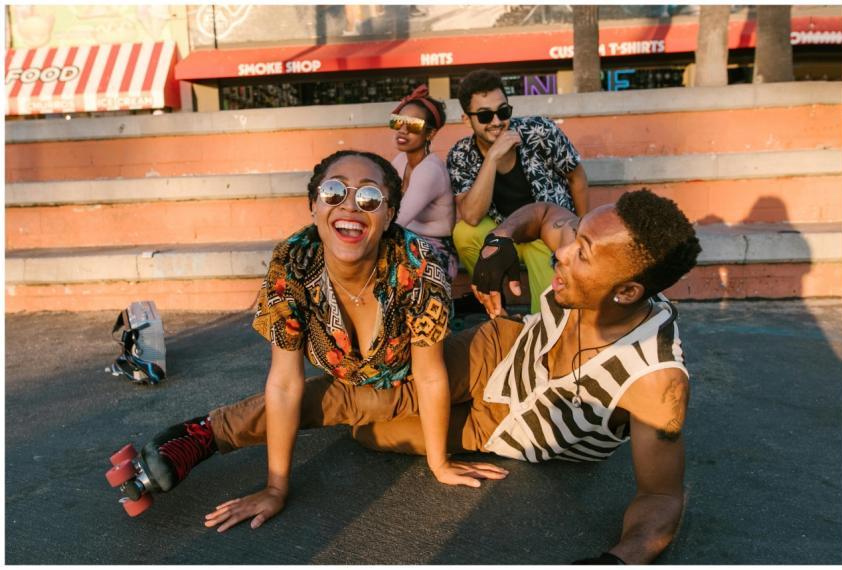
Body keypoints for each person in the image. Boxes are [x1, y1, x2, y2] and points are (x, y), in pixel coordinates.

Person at [129, 150, 507, 532]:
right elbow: (284, 383)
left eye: (369, 198)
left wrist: (439, 465)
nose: (350, 207)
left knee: (372, 425)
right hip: (365, 395)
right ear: (313, 205)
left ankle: (208, 432)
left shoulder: (417, 264)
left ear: (390, 213)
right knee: (368, 428)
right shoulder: (291, 264)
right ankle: (205, 434)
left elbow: (429, 376)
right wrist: (276, 488)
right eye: (333, 192)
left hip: (436, 370)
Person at [352, 189, 702, 564]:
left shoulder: (655, 379)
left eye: (581, 253)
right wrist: (500, 239)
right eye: (576, 237)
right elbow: (544, 213)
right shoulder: (590, 249)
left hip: (503, 428)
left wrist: (618, 560)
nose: (562, 252)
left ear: (627, 291)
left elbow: (661, 497)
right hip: (505, 350)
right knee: (365, 397)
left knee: (370, 431)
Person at [447, 69, 589, 313]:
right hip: (504, 232)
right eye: (484, 116)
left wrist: (584, 231)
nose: (496, 122)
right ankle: (496, 304)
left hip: (544, 233)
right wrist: (491, 158)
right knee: (464, 233)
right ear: (466, 120)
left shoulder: (540, 132)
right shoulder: (461, 155)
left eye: (503, 111)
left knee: (549, 311)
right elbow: (471, 216)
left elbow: (576, 177)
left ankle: (545, 332)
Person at [389, 84, 458, 280]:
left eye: (412, 125)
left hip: (436, 253)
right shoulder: (400, 160)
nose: (402, 130)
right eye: (398, 122)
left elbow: (396, 219)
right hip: (408, 242)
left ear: (430, 134)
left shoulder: (430, 170)